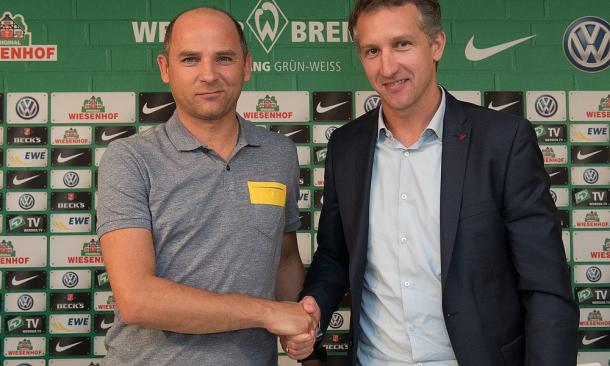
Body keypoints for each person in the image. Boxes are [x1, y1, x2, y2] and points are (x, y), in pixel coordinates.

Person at [282, 0, 579, 364]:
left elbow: (546, 285)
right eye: (372, 50)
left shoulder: (502, 140)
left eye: (402, 44)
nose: (388, 67)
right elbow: (335, 255)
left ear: (436, 45)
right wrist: (315, 309)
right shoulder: (346, 145)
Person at [97, 7, 315, 365]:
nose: (209, 74)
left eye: (224, 58)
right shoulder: (130, 159)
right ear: (166, 69)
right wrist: (267, 313)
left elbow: (284, 257)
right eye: (190, 59)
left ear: (246, 66)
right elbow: (137, 298)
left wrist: (304, 332)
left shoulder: (280, 154)